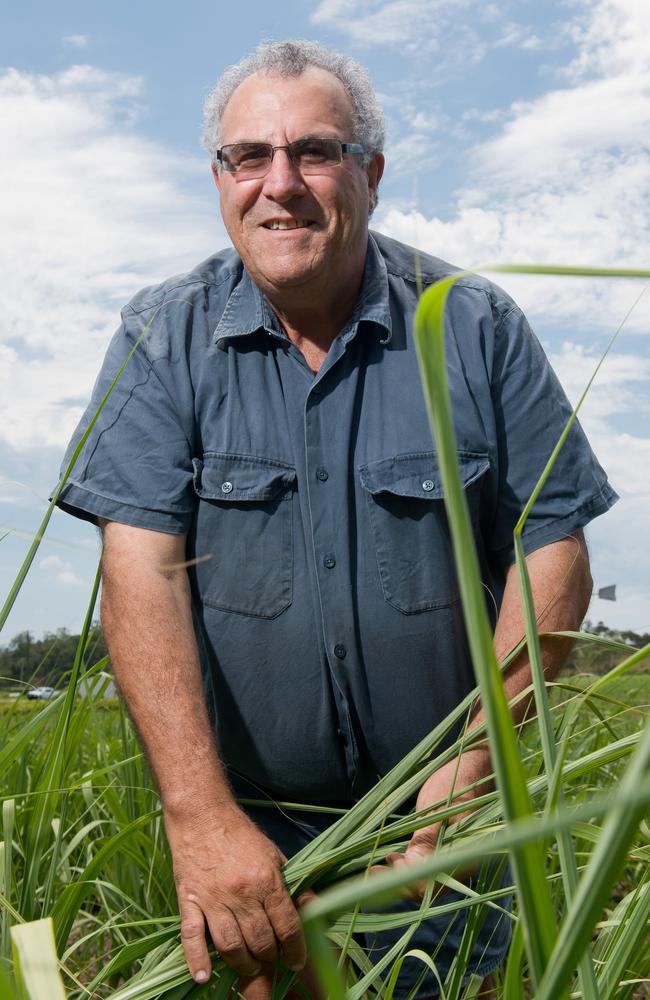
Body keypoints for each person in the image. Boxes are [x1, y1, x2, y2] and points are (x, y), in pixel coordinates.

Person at [56, 39, 617, 999]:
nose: (282, 185)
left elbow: (552, 546)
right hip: (256, 847)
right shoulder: (164, 335)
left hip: (456, 829)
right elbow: (138, 569)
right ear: (220, 178)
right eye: (249, 158)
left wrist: (474, 768)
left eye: (315, 152)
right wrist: (199, 821)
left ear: (371, 173)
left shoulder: (473, 323)